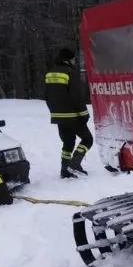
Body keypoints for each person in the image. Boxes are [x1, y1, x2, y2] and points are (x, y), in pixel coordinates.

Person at [44, 48, 93, 178]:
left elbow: (47, 96)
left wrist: (55, 112)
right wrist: (84, 114)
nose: (74, 61)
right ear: (68, 59)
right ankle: (74, 163)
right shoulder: (70, 73)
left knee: (68, 142)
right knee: (88, 139)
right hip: (72, 116)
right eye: (73, 59)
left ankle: (64, 170)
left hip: (58, 117)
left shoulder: (49, 73)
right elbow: (76, 97)